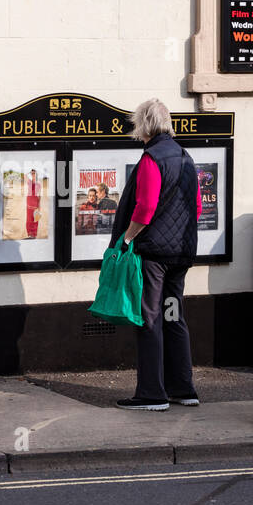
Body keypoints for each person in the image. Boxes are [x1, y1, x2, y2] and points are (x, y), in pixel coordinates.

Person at [109, 99, 203, 411]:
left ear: (143, 124)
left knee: (149, 318)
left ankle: (151, 393)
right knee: (173, 315)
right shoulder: (185, 156)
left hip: (155, 255)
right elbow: (198, 208)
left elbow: (145, 208)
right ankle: (183, 389)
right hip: (182, 253)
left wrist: (126, 237)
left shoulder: (152, 158)